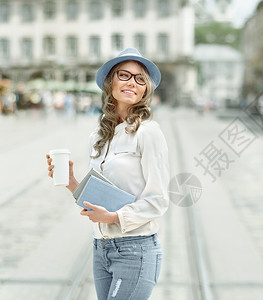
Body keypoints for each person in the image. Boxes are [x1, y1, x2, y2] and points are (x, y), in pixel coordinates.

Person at [46, 48, 170, 299]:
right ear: (109, 81)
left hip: (136, 248)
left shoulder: (148, 132)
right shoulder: (99, 136)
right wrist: (72, 183)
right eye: (124, 75)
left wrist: (113, 217)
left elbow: (158, 201)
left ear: (145, 89)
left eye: (139, 78)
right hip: (101, 247)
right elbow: (101, 194)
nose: (132, 82)